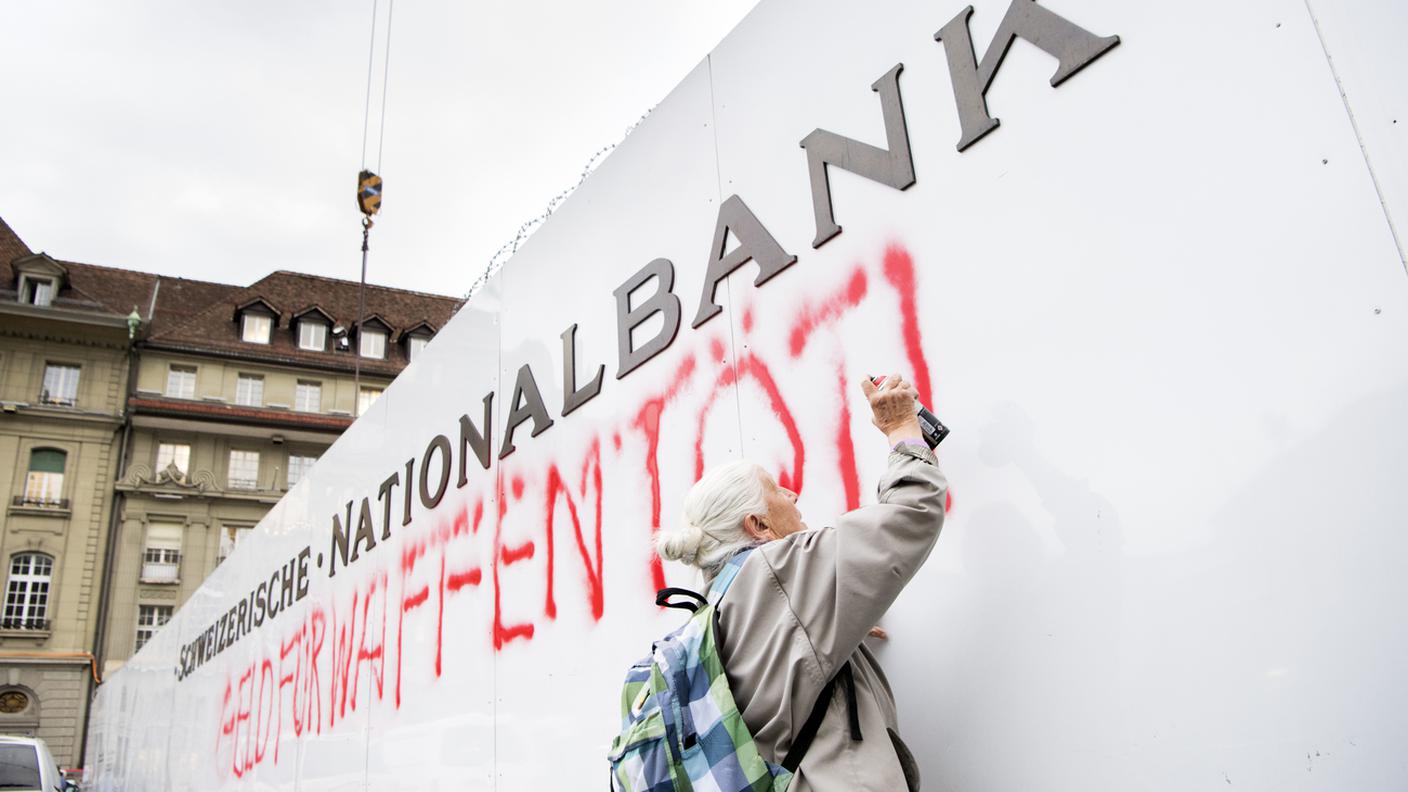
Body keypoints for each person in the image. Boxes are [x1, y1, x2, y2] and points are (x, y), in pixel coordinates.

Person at [656, 373, 948, 791]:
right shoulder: (775, 575)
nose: (792, 495)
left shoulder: (717, 609)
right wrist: (903, 430)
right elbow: (910, 514)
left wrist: (837, 614)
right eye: (775, 489)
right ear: (757, 525)